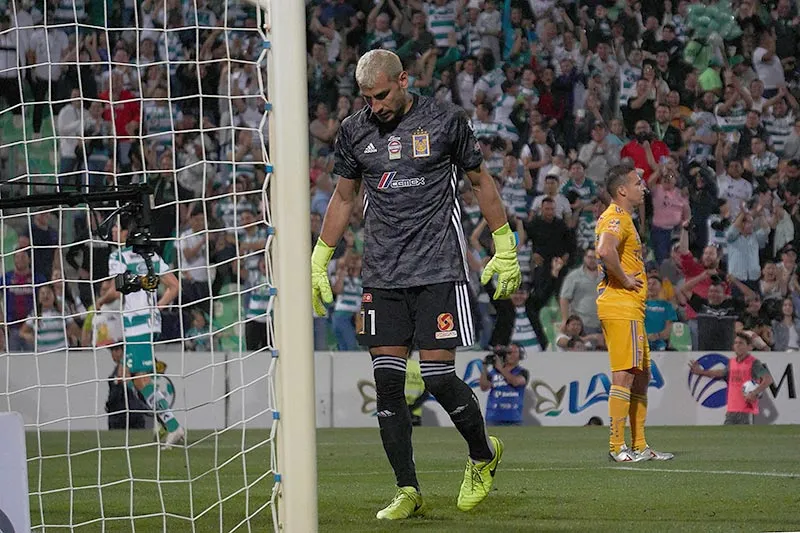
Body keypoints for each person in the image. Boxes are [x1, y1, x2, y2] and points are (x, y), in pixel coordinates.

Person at [310, 49, 521, 519]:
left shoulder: (445, 120)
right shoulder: (354, 130)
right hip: (382, 274)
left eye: (382, 95)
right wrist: (319, 258)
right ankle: (408, 489)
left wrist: (505, 246)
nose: (375, 106)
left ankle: (482, 455)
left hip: (438, 269)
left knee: (438, 378)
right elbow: (344, 198)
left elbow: (481, 183)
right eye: (367, 98)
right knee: (388, 385)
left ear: (403, 80)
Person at [595, 164, 673, 463]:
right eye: (638, 182)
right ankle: (617, 447)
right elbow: (604, 250)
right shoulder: (614, 217)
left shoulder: (625, 218)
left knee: (640, 376)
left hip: (631, 307)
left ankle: (639, 445)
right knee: (624, 375)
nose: (644, 187)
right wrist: (626, 280)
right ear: (622, 190)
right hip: (620, 304)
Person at [95, 217, 184, 449]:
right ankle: (164, 420)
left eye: (117, 227)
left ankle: (172, 426)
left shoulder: (118, 256)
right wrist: (159, 307)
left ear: (127, 232)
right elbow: (174, 286)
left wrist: (100, 301)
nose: (114, 230)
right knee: (135, 379)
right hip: (148, 322)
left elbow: (117, 289)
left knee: (136, 377)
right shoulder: (151, 255)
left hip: (137, 324)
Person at [688, 333, 774, 424]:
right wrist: (700, 372)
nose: (737, 345)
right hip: (732, 410)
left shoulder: (754, 363)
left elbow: (768, 379)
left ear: (749, 347)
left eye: (741, 343)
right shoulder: (732, 362)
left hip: (746, 410)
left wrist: (754, 393)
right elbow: (721, 373)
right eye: (736, 343)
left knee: (743, 436)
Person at [479, 344, 529, 426]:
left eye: (514, 352)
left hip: (513, 417)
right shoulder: (494, 372)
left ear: (520, 355)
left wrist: (500, 368)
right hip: (493, 416)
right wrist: (484, 368)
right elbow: (484, 387)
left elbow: (515, 382)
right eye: (508, 352)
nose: (511, 355)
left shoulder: (522, 372)